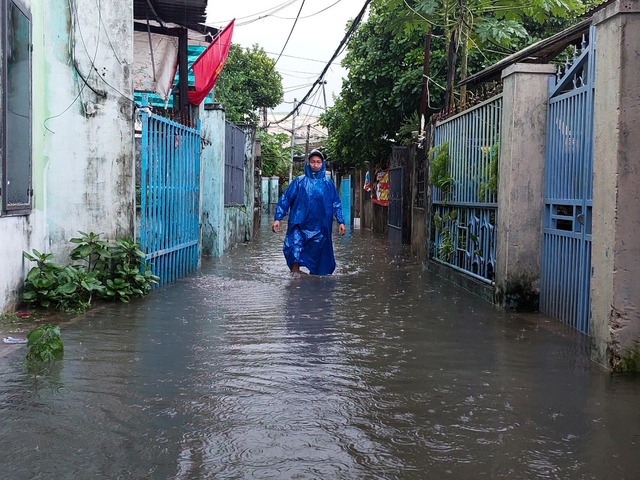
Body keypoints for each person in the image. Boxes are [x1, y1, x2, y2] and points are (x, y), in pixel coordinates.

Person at [272, 149, 346, 276]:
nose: (315, 165)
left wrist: (341, 221)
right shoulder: (299, 181)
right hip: (299, 224)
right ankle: (295, 277)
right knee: (295, 248)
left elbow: (336, 203)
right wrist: (278, 218)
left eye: (318, 162)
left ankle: (314, 282)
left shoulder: (328, 183)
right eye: (313, 162)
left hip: (321, 227)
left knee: (319, 257)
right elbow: (286, 199)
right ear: (308, 163)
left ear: (322, 164)